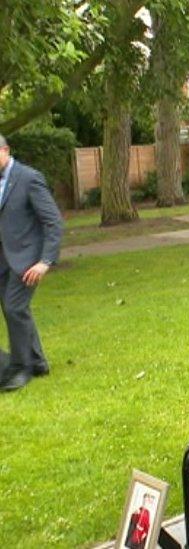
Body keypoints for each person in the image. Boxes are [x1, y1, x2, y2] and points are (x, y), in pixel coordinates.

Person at [0, 133, 63, 392]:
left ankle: (20, 368)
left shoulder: (29, 178)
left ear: (5, 150)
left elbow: (53, 222)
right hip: (3, 259)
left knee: (14, 308)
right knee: (16, 309)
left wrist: (45, 261)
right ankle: (38, 362)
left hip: (27, 260)